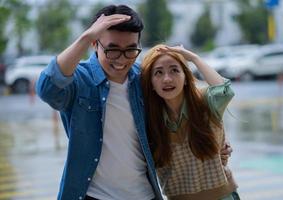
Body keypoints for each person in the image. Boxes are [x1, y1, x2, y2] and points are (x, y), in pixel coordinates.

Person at [36, 4, 162, 200]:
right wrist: (85, 37)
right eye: (112, 50)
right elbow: (47, 89)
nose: (121, 59)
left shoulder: (144, 79)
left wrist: (215, 143)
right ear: (95, 44)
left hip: (145, 194)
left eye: (131, 50)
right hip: (94, 196)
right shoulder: (79, 79)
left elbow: (181, 108)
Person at [141, 44, 240, 200]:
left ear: (186, 77)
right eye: (158, 73)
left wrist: (194, 58)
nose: (167, 79)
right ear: (151, 83)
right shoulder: (149, 118)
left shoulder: (205, 102)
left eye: (174, 70)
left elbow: (225, 91)